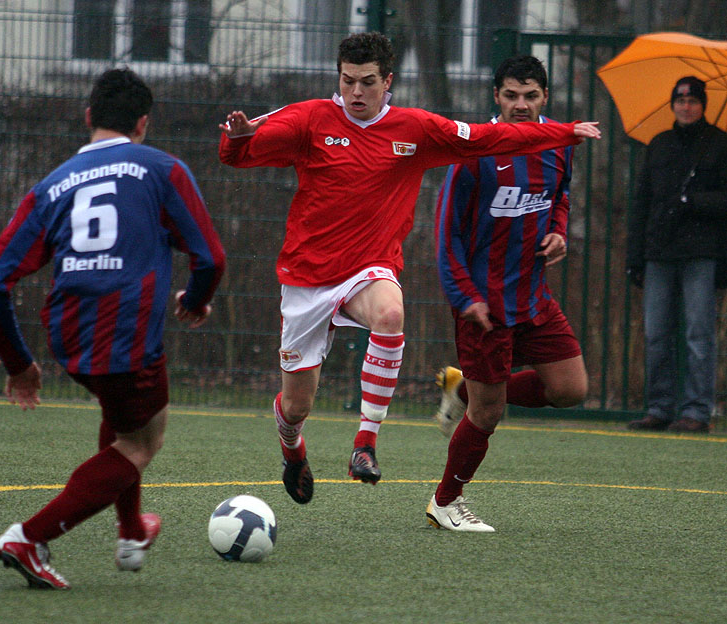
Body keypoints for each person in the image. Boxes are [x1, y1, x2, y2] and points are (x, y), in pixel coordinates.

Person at [218, 33, 600, 505]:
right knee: (297, 406)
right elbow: (238, 154)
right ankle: (292, 447)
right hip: (307, 278)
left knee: (391, 314)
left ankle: (366, 443)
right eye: (348, 81)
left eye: (367, 82)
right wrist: (238, 137)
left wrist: (565, 132)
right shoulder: (309, 118)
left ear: (388, 81)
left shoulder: (414, 128)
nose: (356, 92)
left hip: (370, 267)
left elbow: (488, 137)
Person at [0, 68, 225, 589]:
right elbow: (211, 258)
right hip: (127, 334)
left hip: (66, 332)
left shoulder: (52, 185)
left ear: (88, 116)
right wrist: (197, 300)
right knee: (142, 442)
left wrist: (20, 364)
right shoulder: (162, 169)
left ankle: (132, 532)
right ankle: (29, 538)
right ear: (142, 124)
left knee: (122, 417)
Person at [429, 55, 589, 532]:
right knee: (489, 412)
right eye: (512, 95)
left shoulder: (559, 144)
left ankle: (462, 389)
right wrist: (465, 298)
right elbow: (446, 236)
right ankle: (444, 502)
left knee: (571, 389)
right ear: (496, 97)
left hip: (534, 298)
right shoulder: (473, 154)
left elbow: (559, 196)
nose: (521, 104)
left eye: (531, 95)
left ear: (545, 97)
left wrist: (558, 232)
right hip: (484, 306)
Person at [626, 76, 727, 434]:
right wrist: (635, 257)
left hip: (701, 252)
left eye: (693, 100)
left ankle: (697, 411)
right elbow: (641, 202)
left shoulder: (719, 144)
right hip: (659, 252)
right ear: (673, 104)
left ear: (703, 104)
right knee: (656, 334)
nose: (686, 106)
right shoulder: (659, 144)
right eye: (680, 100)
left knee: (699, 335)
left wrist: (693, 201)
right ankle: (659, 408)